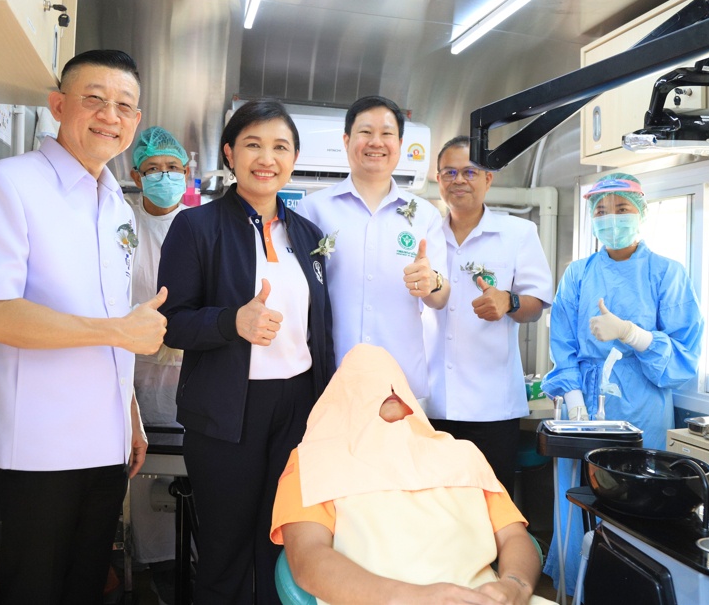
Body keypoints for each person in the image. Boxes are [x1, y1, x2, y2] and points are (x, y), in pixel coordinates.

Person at [0, 49, 167, 605]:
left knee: (85, 585)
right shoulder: (5, 185)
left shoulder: (118, 206)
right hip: (37, 447)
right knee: (34, 591)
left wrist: (131, 416)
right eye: (93, 99)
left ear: (135, 122)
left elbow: (116, 315)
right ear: (57, 105)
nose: (109, 115)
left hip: (106, 443)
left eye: (124, 105)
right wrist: (118, 333)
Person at [157, 99, 335, 604]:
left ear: (294, 158)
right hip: (225, 411)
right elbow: (170, 324)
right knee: (224, 548)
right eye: (253, 145)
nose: (267, 158)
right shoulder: (195, 228)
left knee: (283, 540)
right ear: (230, 154)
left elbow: (320, 329)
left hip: (297, 407)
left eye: (280, 147)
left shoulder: (308, 236)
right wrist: (231, 321)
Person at [271, 344, 556, 605]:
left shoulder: (463, 454)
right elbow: (308, 560)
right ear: (342, 399)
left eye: (395, 385)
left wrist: (514, 585)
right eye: (371, 386)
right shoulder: (313, 463)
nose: (388, 391)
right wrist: (410, 597)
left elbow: (515, 537)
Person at [540, 173, 704, 596]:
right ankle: (573, 590)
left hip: (642, 403)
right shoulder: (577, 275)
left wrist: (633, 334)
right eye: (601, 211)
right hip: (583, 405)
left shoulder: (667, 273)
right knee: (576, 505)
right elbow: (561, 343)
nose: (611, 219)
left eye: (622, 209)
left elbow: (684, 354)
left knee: (636, 505)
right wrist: (574, 399)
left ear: (642, 214)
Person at [423, 136, 553, 496]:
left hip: (492, 407)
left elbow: (536, 304)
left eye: (469, 171)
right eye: (450, 172)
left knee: (491, 508)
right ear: (438, 178)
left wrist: (509, 301)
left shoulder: (517, 233)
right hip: (431, 402)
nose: (459, 180)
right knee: (436, 506)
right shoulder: (422, 233)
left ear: (488, 179)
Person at [297, 95, 449, 400]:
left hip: (398, 383)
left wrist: (432, 282)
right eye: (365, 132)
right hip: (329, 377)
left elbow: (441, 299)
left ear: (400, 143)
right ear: (346, 140)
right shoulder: (312, 210)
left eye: (387, 133)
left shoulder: (425, 215)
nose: (375, 142)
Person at [128, 125, 191, 605]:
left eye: (172, 168)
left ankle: (193, 562)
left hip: (191, 375)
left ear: (186, 173)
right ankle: (152, 568)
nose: (163, 176)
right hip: (131, 375)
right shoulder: (121, 227)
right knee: (142, 474)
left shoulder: (203, 225)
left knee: (192, 474)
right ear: (136, 175)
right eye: (153, 170)